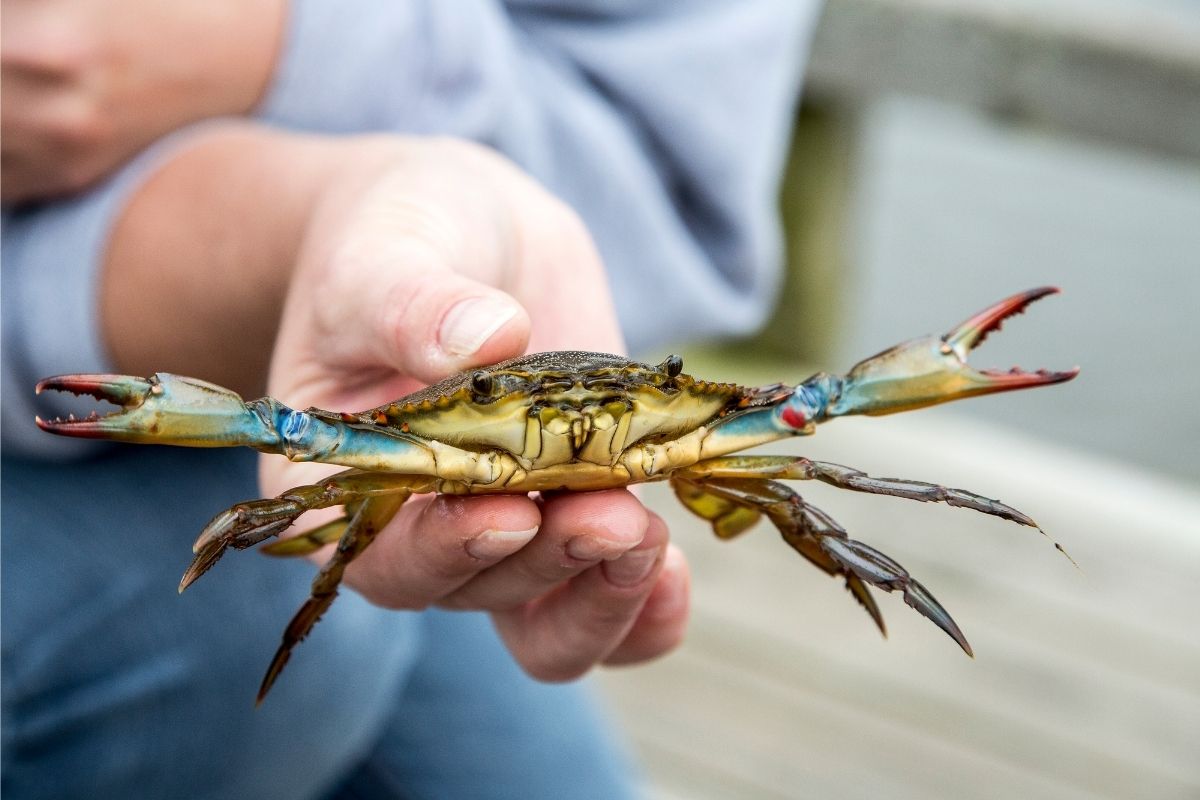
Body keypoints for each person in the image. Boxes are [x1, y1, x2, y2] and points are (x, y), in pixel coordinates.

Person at [1, 2, 819, 797]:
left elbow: (676, 177)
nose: (571, 423)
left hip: (300, 280)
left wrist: (286, 55)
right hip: (140, 369)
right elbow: (287, 436)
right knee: (267, 611)